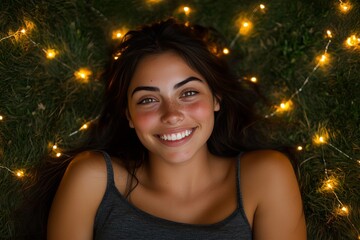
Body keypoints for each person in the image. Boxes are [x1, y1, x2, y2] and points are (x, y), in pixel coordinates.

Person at [17, 18, 306, 239]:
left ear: (216, 98)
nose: (171, 115)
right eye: (148, 99)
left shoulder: (267, 175)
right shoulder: (92, 178)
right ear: (128, 115)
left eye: (188, 93)